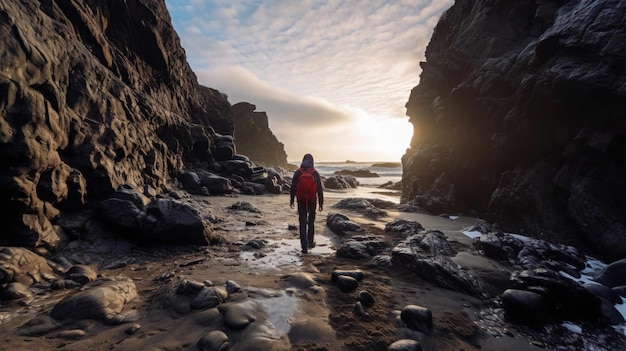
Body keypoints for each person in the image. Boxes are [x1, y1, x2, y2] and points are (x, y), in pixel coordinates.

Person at [290, 153, 324, 254]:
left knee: (303, 222)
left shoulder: (298, 172)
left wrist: (291, 200)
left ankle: (304, 246)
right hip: (312, 200)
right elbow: (320, 190)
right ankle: (310, 241)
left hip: (301, 200)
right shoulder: (315, 173)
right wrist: (321, 203)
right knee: (311, 221)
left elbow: (293, 187)